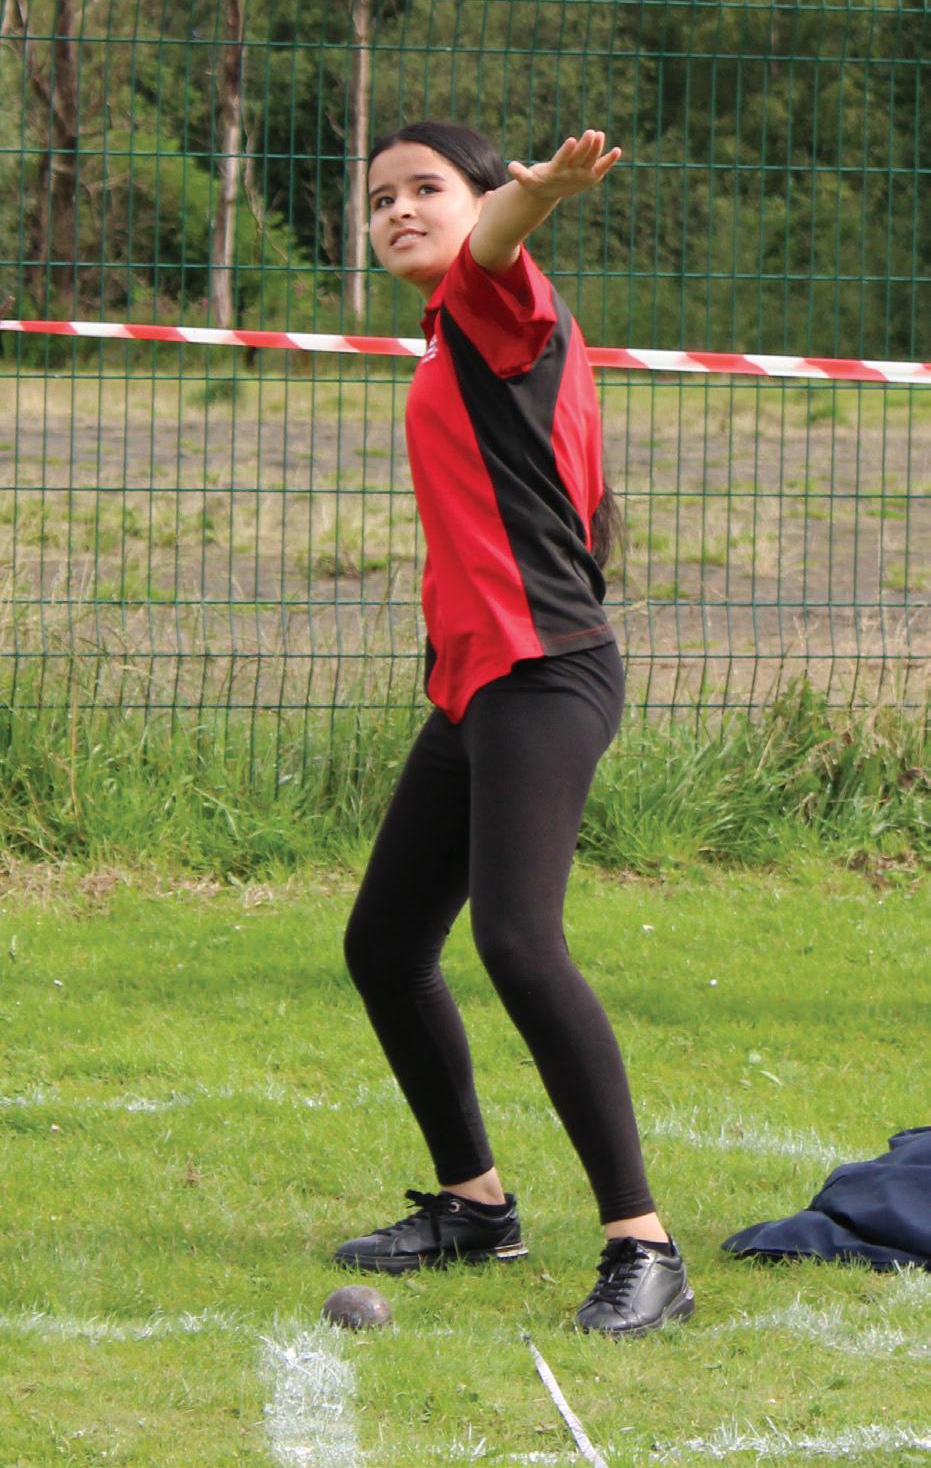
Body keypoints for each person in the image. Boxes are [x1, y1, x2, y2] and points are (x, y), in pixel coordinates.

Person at [335, 121, 693, 1337]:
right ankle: (474, 1207)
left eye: (424, 188)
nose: (396, 210)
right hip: (478, 685)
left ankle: (644, 1247)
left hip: (542, 674)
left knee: (518, 941)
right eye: (378, 197)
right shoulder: (452, 334)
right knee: (386, 943)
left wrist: (528, 196)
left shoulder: (494, 300)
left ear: (481, 198)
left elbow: (495, 242)